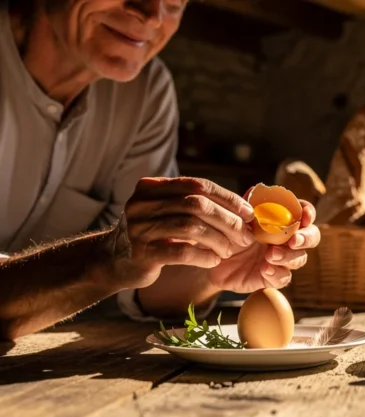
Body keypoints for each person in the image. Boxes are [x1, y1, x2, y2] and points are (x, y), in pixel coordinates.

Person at [0, 0, 320, 341]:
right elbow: (117, 261)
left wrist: (211, 269)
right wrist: (104, 258)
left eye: (174, 3)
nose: (152, 14)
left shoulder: (146, 94)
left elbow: (141, 274)